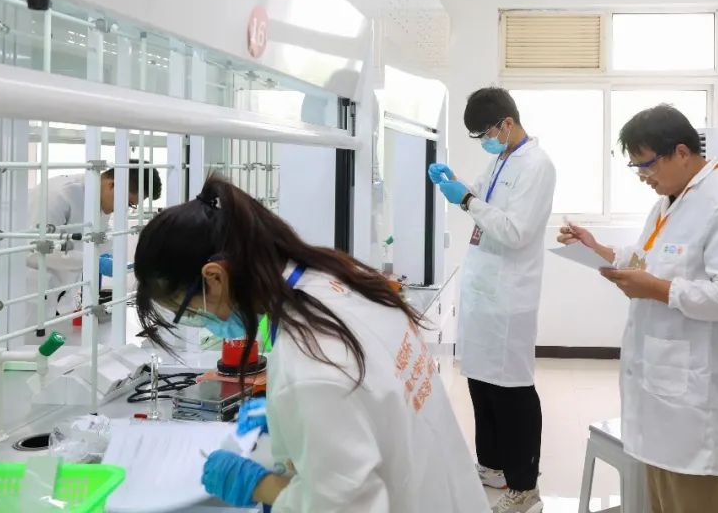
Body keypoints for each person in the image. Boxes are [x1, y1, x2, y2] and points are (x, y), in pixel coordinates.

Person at [133, 176, 489, 513]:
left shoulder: (310, 363)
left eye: (188, 311)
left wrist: (257, 485)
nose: (199, 321)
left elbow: (346, 509)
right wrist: (291, 420)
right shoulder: (332, 276)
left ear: (214, 277)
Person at [557, 105, 718, 513]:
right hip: (661, 393)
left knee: (696, 500)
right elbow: (647, 258)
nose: (643, 176)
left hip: (697, 401)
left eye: (647, 164)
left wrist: (658, 290)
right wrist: (597, 248)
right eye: (636, 167)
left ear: (682, 152)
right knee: (664, 498)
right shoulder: (670, 201)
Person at [428, 87, 556, 513]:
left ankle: (525, 487)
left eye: (485, 132)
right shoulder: (501, 159)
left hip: (509, 297)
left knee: (512, 392)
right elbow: (483, 201)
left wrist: (465, 200)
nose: (484, 140)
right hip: (484, 291)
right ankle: (494, 467)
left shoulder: (537, 165)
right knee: (481, 385)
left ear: (506, 123)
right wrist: (457, 184)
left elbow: (516, 231)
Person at [26, 161, 162, 314]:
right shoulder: (57, 195)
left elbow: (100, 237)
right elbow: (35, 249)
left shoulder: (100, 199)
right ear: (112, 185)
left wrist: (116, 260)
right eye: (128, 203)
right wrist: (94, 261)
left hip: (62, 295)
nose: (124, 209)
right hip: (29, 294)